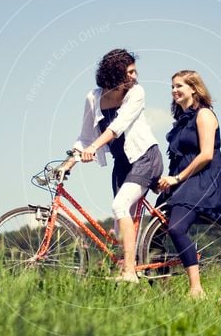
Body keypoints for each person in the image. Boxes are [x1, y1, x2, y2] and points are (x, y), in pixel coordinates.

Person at [59, 49, 163, 282]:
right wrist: (68, 164)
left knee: (119, 206)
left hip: (145, 158)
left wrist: (93, 148)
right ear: (115, 74)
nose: (135, 76)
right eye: (130, 72)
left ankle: (129, 272)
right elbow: (85, 137)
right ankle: (127, 269)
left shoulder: (136, 93)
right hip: (123, 164)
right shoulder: (93, 98)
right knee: (119, 225)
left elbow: (116, 127)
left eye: (135, 71)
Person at [157, 70, 221, 298]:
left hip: (202, 180)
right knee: (154, 232)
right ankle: (158, 287)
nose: (174, 90)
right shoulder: (180, 123)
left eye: (179, 85)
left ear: (194, 88)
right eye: (172, 87)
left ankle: (196, 288)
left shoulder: (204, 115)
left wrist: (178, 178)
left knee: (176, 227)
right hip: (180, 180)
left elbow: (206, 155)